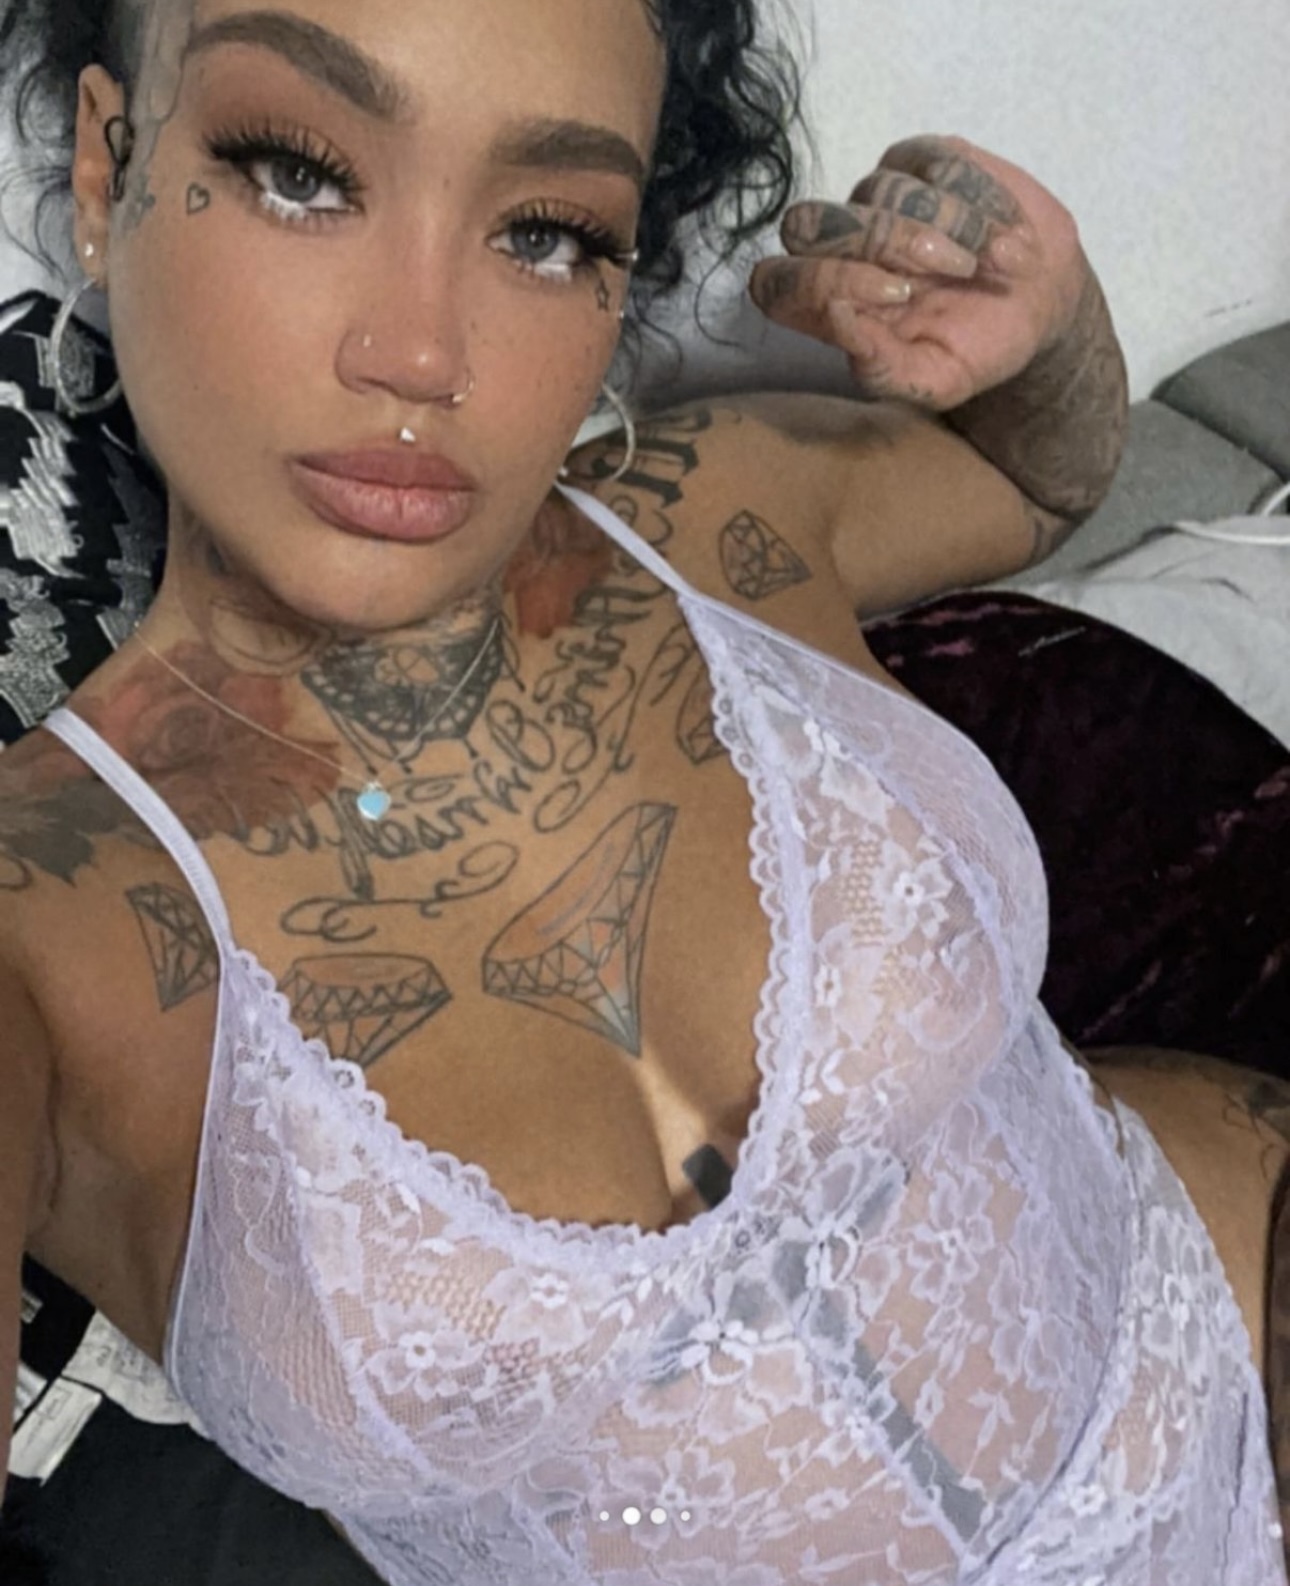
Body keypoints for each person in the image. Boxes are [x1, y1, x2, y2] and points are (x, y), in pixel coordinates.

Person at [0, 1, 1284, 1582]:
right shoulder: (39, 931)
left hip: (1231, 1308)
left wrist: (1052, 323)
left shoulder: (706, 516)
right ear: (109, 168)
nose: (420, 353)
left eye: (544, 233)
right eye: (301, 172)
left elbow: (1034, 477)